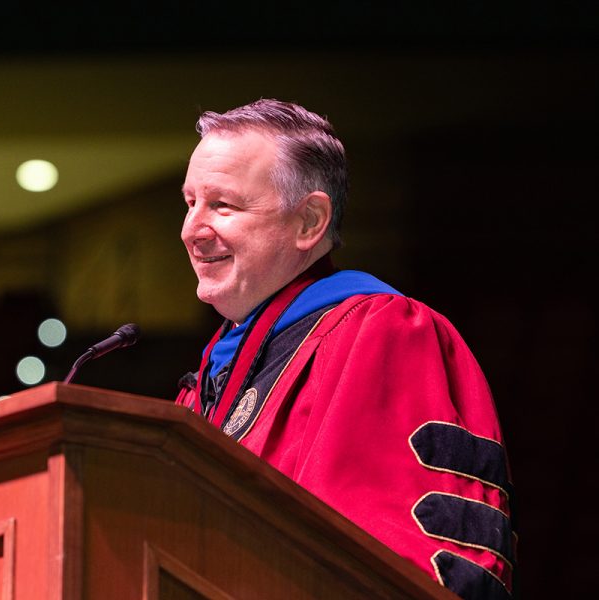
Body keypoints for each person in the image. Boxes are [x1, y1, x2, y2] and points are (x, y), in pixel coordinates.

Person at [176, 99, 515, 600]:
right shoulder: (209, 382)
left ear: (310, 221)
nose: (191, 231)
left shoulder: (384, 335)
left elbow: (396, 558)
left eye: (223, 205)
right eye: (190, 203)